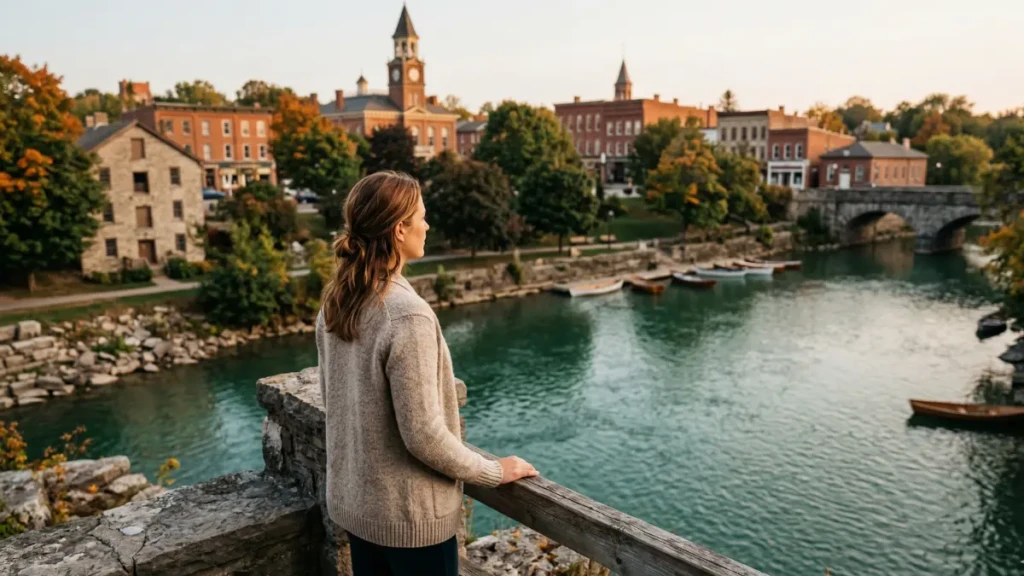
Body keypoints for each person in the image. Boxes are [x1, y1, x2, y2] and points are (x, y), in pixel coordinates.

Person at [316, 171, 539, 576]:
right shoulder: (406, 314)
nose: (428, 225)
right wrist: (493, 471)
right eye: (422, 216)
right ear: (400, 229)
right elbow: (423, 433)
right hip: (411, 522)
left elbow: (333, 400)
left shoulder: (338, 302)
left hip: (359, 509)